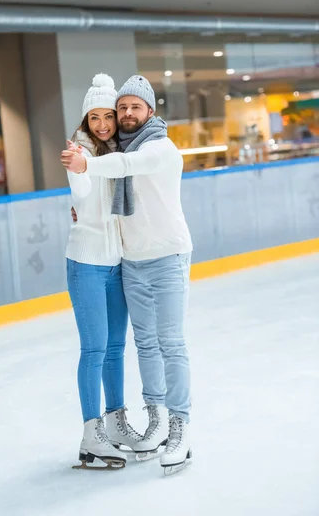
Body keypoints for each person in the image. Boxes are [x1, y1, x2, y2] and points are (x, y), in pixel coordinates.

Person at [62, 75, 193, 475]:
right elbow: (88, 192)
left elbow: (126, 165)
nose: (121, 116)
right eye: (121, 109)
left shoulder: (158, 147)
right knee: (140, 346)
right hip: (126, 260)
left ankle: (179, 426)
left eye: (133, 107)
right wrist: (80, 186)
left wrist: (87, 167)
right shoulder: (96, 148)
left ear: (150, 111)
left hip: (165, 256)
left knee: (168, 342)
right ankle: (147, 420)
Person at [65, 73, 142, 471]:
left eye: (107, 116)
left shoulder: (120, 151)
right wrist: (80, 169)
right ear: (86, 120)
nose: (101, 124)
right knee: (94, 349)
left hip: (117, 265)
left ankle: (115, 422)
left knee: (115, 349)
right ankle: (90, 435)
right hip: (87, 264)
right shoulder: (79, 151)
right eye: (93, 117)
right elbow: (80, 192)